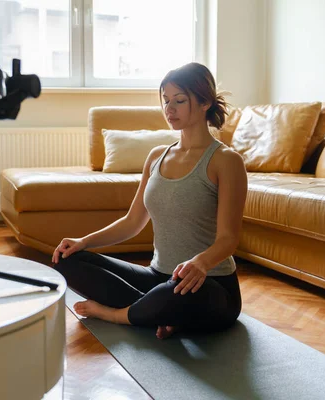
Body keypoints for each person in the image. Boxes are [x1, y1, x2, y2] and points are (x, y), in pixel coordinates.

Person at [52, 62, 248, 339]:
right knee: (67, 260)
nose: (169, 108)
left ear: (205, 102)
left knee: (175, 293)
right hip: (157, 278)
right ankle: (159, 313)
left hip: (209, 285)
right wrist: (83, 242)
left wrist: (201, 263)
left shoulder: (226, 161)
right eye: (166, 100)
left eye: (179, 100)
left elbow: (229, 238)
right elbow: (132, 223)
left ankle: (116, 314)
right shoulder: (157, 156)